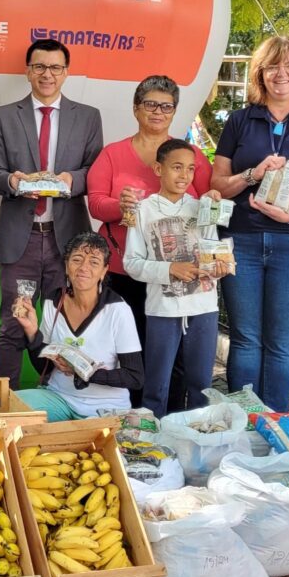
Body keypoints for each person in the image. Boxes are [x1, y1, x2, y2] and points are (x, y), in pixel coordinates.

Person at [208, 36, 289, 412]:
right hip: (243, 240)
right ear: (260, 74)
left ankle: (274, 427)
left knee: (282, 344)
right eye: (272, 66)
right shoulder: (240, 120)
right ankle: (243, 423)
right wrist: (252, 174)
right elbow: (217, 184)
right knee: (246, 339)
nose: (281, 74)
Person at [0, 39, 104, 387]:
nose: (46, 74)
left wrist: (72, 179)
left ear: (66, 72)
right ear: (28, 71)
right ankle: (4, 401)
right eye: (39, 67)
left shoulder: (87, 117)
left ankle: (56, 395)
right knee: (12, 321)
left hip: (66, 241)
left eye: (55, 68)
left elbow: (94, 171)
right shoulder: (5, 116)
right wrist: (13, 180)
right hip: (19, 238)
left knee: (60, 323)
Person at [86, 74, 211, 405]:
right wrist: (121, 205)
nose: (158, 112)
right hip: (126, 271)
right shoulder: (112, 154)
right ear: (136, 109)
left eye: (166, 106)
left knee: (180, 356)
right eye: (150, 104)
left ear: (174, 112)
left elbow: (207, 204)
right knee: (132, 348)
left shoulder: (192, 157)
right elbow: (95, 203)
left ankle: (174, 416)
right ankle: (134, 417)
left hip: (179, 276)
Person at [123, 140, 224, 416]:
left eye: (191, 169)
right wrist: (169, 269)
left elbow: (213, 252)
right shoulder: (142, 210)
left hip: (203, 307)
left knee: (201, 385)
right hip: (162, 310)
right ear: (158, 168)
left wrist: (220, 265)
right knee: (156, 385)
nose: (184, 175)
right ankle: (151, 443)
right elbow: (131, 263)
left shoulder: (202, 207)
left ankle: (199, 440)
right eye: (177, 167)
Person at [12, 233, 143, 421]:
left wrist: (85, 373)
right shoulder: (53, 302)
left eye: (94, 262)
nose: (83, 268)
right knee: (12, 407)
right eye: (77, 259)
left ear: (104, 271)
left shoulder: (117, 310)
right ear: (66, 265)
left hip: (105, 409)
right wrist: (32, 333)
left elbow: (135, 377)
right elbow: (44, 368)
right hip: (60, 399)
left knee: (88, 443)